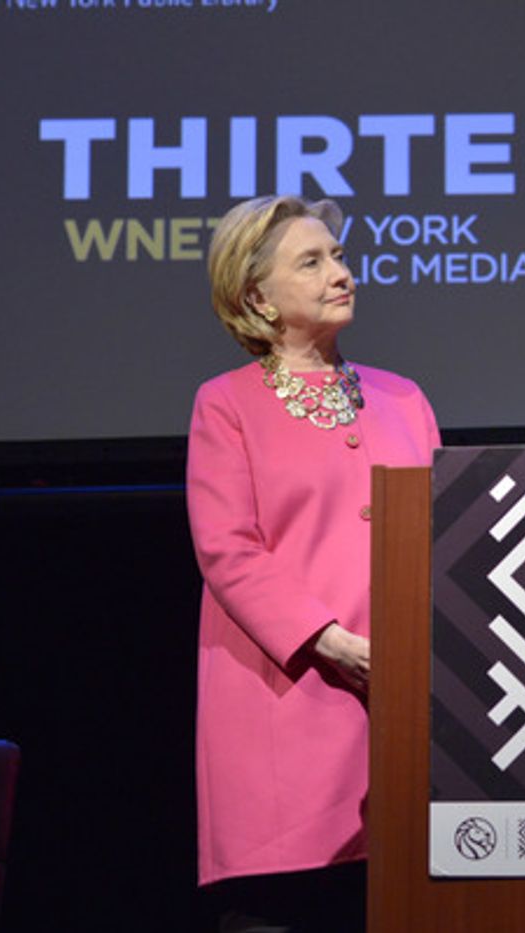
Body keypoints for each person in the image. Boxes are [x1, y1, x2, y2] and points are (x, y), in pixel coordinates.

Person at [186, 195, 440, 932]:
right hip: (291, 694)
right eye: (312, 262)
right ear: (257, 297)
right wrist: (328, 640)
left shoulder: (404, 398)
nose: (341, 273)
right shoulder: (226, 405)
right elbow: (228, 549)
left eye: (339, 256)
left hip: (401, 700)